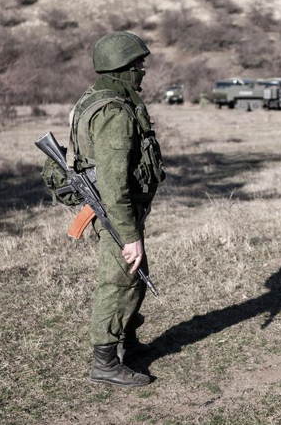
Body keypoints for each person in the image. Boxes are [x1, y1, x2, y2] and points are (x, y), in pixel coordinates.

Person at [70, 31, 165, 386]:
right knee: (118, 283)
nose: (143, 71)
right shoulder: (114, 112)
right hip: (115, 211)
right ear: (122, 69)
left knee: (132, 281)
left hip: (115, 208)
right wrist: (130, 236)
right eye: (138, 65)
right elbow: (114, 183)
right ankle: (105, 362)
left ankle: (126, 341)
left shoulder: (95, 99)